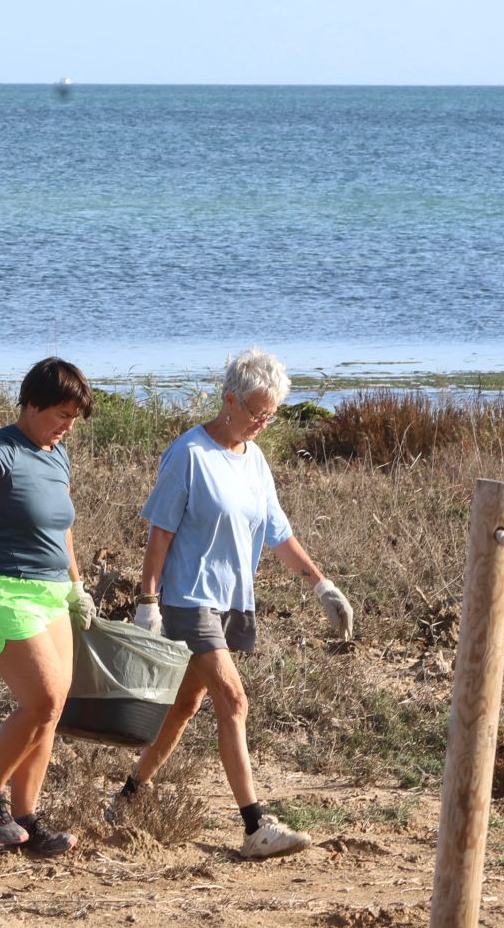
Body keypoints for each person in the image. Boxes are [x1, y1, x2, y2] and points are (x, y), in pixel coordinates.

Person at [108, 349, 355, 859]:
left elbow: (278, 535)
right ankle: (254, 825)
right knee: (234, 702)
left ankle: (127, 798)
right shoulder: (189, 454)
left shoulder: (256, 460)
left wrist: (321, 586)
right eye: (255, 412)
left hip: (231, 603)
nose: (263, 423)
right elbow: (160, 535)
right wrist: (147, 600)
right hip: (187, 598)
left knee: (184, 706)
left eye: (271, 414)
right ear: (229, 399)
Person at [0, 358, 96, 857]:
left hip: (51, 593)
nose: (68, 425)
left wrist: (76, 585)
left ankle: (27, 820)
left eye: (74, 416)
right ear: (31, 404)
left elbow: (61, 527)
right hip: (0, 590)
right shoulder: (0, 449)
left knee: (51, 713)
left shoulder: (58, 455)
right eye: (62, 414)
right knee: (43, 699)